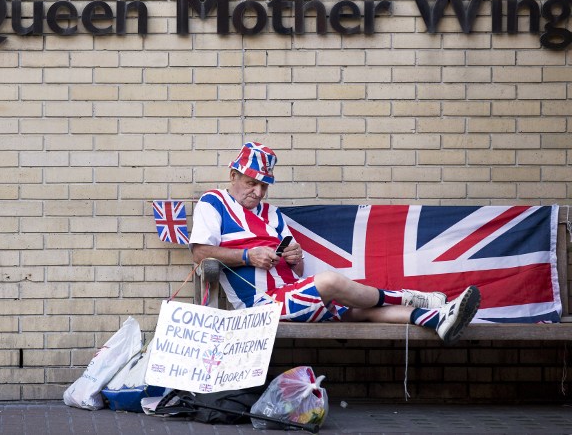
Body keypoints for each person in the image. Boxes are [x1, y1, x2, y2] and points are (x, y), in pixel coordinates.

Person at [189, 141, 481, 344]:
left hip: (293, 295)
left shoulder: (273, 215)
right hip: (261, 306)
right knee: (328, 282)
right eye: (252, 183)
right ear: (233, 176)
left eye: (264, 185)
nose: (258, 192)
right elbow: (200, 253)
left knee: (361, 310)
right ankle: (410, 297)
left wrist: (295, 254)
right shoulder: (213, 203)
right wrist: (247, 256)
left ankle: (437, 319)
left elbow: (299, 269)